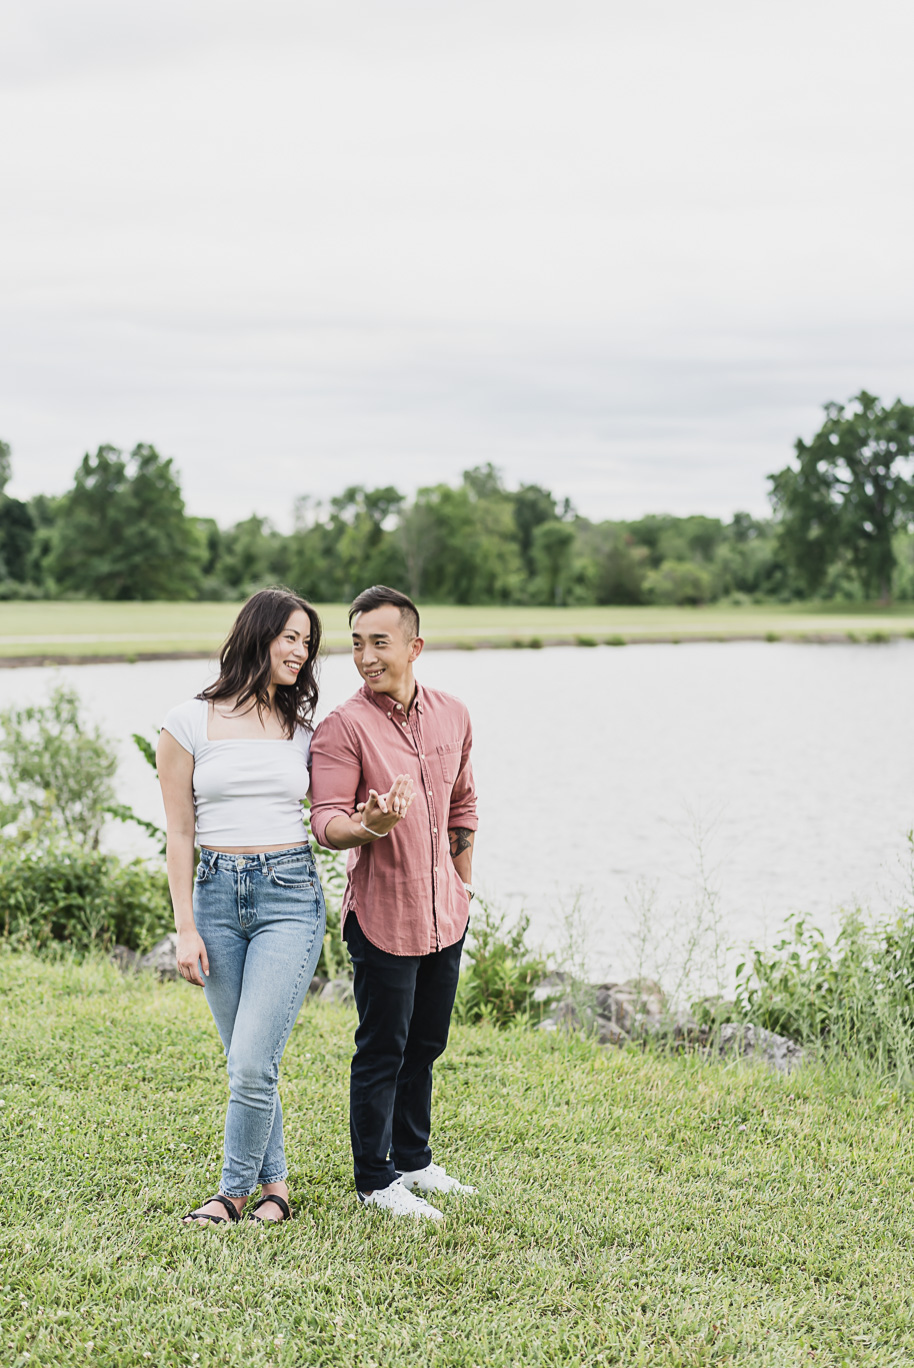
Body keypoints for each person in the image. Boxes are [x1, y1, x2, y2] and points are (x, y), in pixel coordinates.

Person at [157, 587, 326, 1228]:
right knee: (246, 1059)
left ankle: (230, 1194)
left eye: (307, 642)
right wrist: (185, 927)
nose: (301, 651)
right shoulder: (186, 723)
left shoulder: (304, 729)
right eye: (291, 636)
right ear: (258, 634)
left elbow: (332, 815)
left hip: (289, 896)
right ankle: (275, 1187)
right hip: (217, 898)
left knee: (253, 1059)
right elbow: (179, 833)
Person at [309, 584, 478, 1220]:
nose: (366, 656)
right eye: (356, 643)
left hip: (445, 914)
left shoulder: (454, 714)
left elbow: (464, 804)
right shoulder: (342, 728)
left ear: (415, 645)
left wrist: (463, 883)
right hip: (381, 917)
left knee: (427, 1044)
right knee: (383, 1048)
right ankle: (375, 1179)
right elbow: (326, 823)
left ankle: (414, 1160)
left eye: (379, 642)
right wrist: (368, 826)